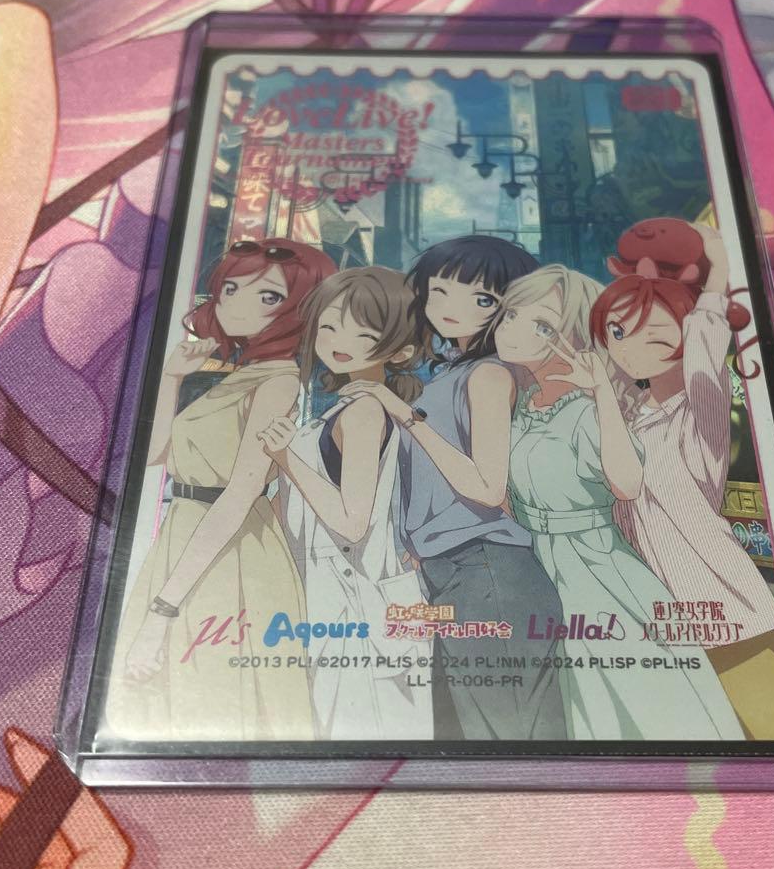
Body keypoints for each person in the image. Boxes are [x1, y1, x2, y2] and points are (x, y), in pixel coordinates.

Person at [592, 218, 774, 740]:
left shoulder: (698, 409)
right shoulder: (630, 415)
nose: (629, 347)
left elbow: (704, 340)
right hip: (657, 597)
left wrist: (718, 268)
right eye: (618, 333)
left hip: (712, 586)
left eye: (654, 332)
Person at [494, 264, 742, 741]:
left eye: (541, 325)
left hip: (597, 569)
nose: (512, 329)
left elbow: (627, 483)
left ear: (572, 339)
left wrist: (601, 391)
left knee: (626, 701)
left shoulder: (588, 411)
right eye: (511, 314)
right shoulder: (522, 405)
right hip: (539, 564)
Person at [339, 235, 567, 741]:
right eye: (439, 291)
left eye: (481, 299)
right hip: (452, 572)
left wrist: (406, 416)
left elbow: (487, 486)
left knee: (511, 734)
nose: (451, 308)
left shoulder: (489, 375)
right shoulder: (450, 373)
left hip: (489, 570)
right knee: (474, 729)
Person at [111, 239, 335, 741]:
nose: (237, 304)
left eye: (268, 296)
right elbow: (155, 455)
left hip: (229, 550)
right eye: (231, 288)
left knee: (211, 691)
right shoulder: (238, 374)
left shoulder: (278, 382)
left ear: (299, 310)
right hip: (185, 533)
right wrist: (171, 378)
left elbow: (239, 495)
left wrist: (162, 611)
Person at [260, 267, 433, 740]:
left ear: (400, 351)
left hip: (356, 595)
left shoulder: (364, 412)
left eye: (364, 333)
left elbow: (353, 524)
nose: (340, 341)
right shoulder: (347, 406)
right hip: (346, 591)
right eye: (331, 326)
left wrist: (285, 458)